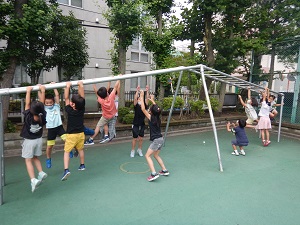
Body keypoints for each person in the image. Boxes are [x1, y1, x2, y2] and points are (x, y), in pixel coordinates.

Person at [21, 85, 48, 192]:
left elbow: (27, 104)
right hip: (38, 140)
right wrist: (42, 90)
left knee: (28, 160)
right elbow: (41, 104)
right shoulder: (43, 115)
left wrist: (28, 91)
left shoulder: (28, 117)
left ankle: (33, 179)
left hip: (29, 141)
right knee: (35, 157)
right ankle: (41, 172)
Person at [139, 90, 169, 182]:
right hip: (161, 139)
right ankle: (164, 170)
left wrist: (142, 96)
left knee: (147, 156)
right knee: (156, 155)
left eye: (150, 109)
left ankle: (153, 173)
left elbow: (143, 109)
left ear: (151, 112)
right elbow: (157, 109)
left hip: (156, 140)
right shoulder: (157, 117)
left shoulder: (151, 117)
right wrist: (152, 100)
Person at [61, 81, 86, 181]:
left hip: (71, 136)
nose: (70, 102)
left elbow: (66, 98)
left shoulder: (70, 110)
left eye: (72, 102)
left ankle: (66, 169)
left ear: (74, 105)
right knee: (80, 150)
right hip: (81, 135)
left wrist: (67, 87)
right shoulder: (82, 109)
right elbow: (82, 98)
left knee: (66, 152)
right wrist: (81, 85)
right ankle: (82, 165)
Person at [84, 78, 120, 145]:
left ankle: (91, 139)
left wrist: (93, 83)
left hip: (105, 116)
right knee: (109, 125)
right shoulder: (111, 97)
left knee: (98, 126)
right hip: (112, 115)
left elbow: (96, 92)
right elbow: (115, 87)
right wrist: (119, 78)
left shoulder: (101, 100)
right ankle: (108, 136)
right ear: (107, 92)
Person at [39, 82, 66, 169]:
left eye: (50, 102)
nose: (49, 104)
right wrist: (39, 89)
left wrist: (54, 86)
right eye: (47, 103)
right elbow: (41, 99)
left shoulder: (56, 106)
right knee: (49, 146)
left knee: (67, 140)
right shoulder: (44, 108)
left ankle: (69, 151)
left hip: (59, 127)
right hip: (51, 129)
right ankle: (48, 159)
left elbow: (57, 96)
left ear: (53, 102)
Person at [130, 85, 149, 158]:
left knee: (141, 138)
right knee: (135, 138)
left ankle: (139, 149)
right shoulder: (136, 106)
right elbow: (135, 99)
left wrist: (147, 91)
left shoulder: (144, 106)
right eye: (138, 99)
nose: (138, 100)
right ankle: (132, 150)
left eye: (140, 99)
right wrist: (137, 91)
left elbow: (147, 99)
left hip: (142, 124)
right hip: (135, 124)